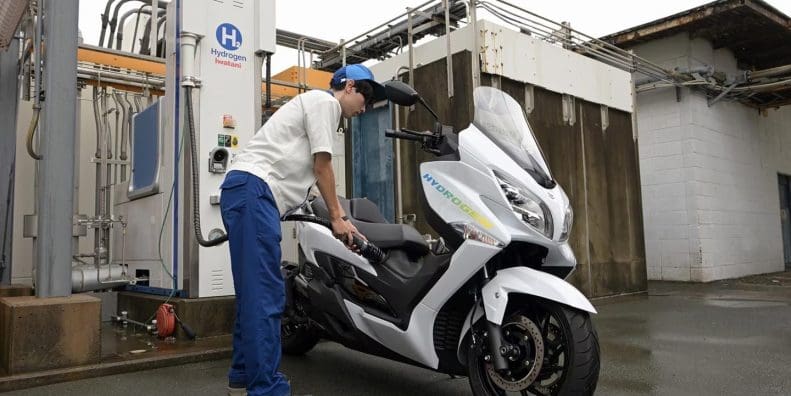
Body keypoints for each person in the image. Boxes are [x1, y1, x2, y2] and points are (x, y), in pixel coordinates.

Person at [220, 64, 386, 396]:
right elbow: (322, 166)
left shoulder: (312, 108)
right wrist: (338, 218)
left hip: (247, 192)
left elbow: (310, 177)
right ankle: (265, 388)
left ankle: (242, 376)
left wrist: (340, 217)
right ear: (349, 86)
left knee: (254, 292)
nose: (365, 107)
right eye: (365, 97)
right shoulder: (325, 104)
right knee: (266, 294)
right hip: (255, 193)